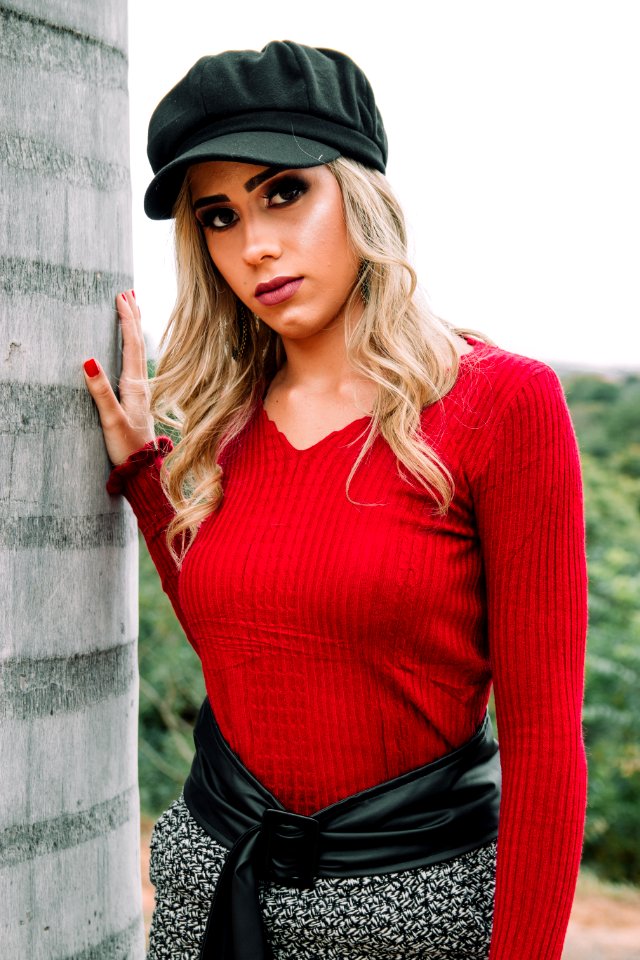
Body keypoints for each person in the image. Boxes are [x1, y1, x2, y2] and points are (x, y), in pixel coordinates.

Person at [83, 41, 588, 960]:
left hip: (417, 913)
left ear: (358, 193)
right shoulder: (229, 419)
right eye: (219, 216)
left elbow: (547, 746)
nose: (256, 244)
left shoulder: (502, 404)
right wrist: (148, 483)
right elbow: (246, 648)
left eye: (283, 192)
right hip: (213, 889)